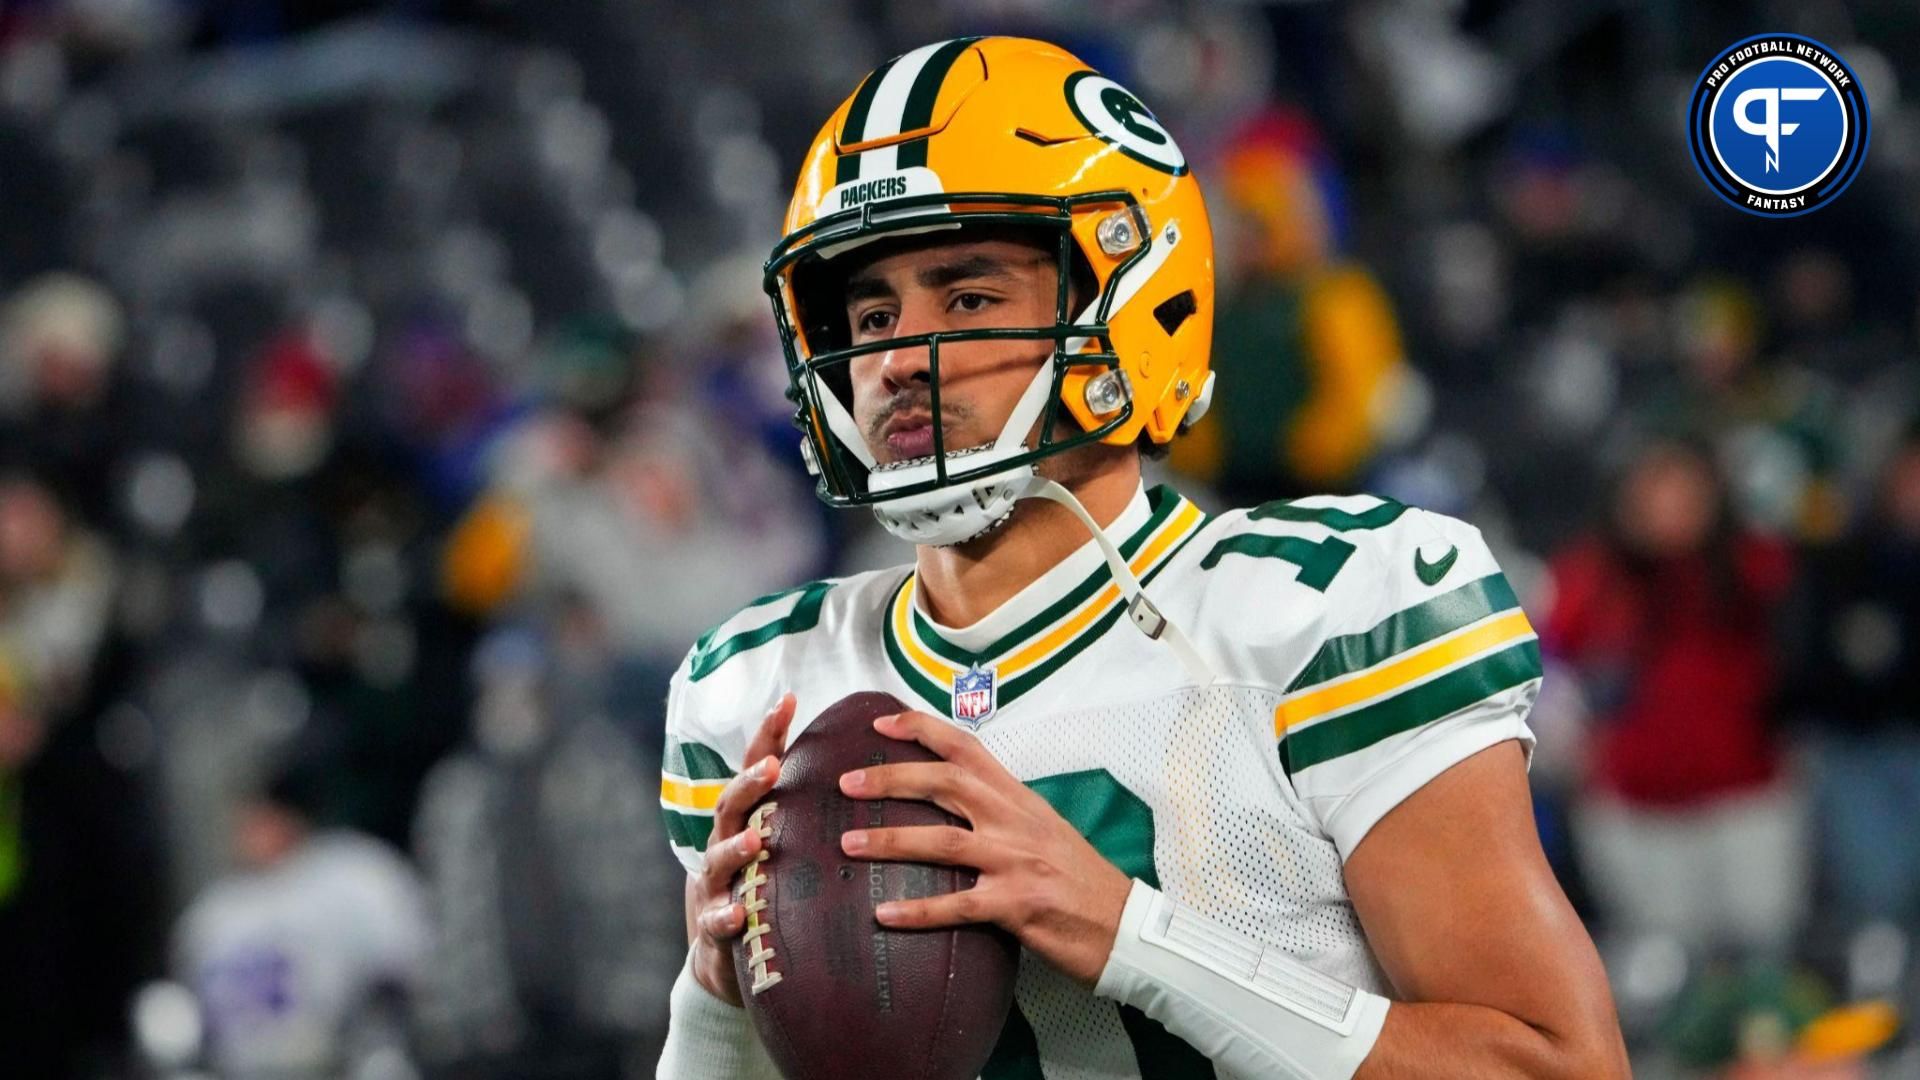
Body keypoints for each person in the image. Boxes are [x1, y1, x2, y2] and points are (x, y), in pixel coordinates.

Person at [656, 37, 1626, 1079]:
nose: (896, 359)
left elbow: (1556, 1066)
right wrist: (710, 1011)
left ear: (1131, 300)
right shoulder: (759, 686)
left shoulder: (1324, 609)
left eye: (968, 298)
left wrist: (1134, 938)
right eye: (873, 313)